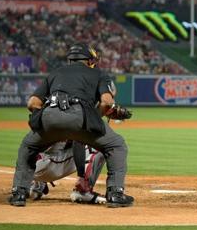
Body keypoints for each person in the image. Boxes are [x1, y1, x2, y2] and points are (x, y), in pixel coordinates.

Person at [8, 42, 133, 207]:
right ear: (90, 60)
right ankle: (115, 194)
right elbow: (107, 102)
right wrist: (94, 118)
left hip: (48, 115)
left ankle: (19, 193)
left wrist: (46, 118)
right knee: (116, 145)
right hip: (79, 117)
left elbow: (32, 103)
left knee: (28, 146)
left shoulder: (55, 73)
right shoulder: (97, 73)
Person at [29, 141, 107, 204]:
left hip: (30, 167)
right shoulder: (74, 121)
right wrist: (81, 175)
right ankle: (83, 191)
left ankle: (36, 186)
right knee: (100, 145)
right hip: (46, 166)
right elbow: (78, 143)